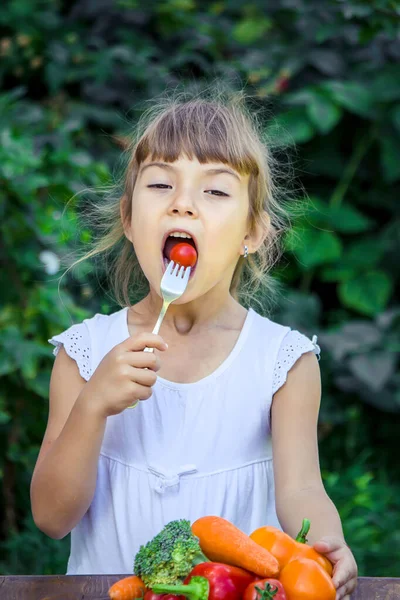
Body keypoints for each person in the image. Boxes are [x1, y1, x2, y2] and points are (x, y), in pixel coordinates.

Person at [30, 92, 357, 599]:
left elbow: (301, 491)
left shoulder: (282, 363)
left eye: (216, 192)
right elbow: (51, 517)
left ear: (252, 231)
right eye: (160, 184)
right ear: (128, 218)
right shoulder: (86, 353)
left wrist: (326, 539)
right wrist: (93, 404)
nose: (182, 202)